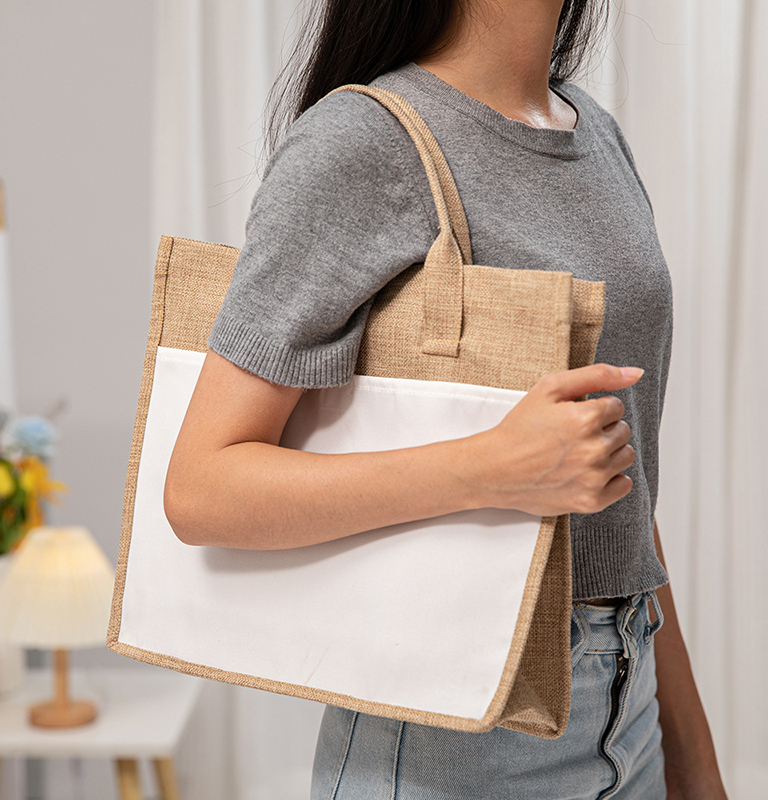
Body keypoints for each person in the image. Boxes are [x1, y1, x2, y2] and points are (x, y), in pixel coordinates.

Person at [164, 0, 728, 797]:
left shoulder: (594, 133)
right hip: (453, 745)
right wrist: (487, 468)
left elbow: (615, 484)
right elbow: (199, 490)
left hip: (629, 700)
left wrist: (692, 761)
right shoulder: (364, 139)